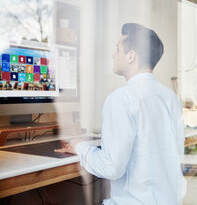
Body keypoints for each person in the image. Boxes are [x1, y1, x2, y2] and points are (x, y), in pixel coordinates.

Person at [55, 23, 186, 204]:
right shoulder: (170, 97)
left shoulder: (121, 98)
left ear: (131, 56)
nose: (113, 55)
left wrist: (79, 146)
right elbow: (176, 151)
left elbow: (112, 168)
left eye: (117, 49)